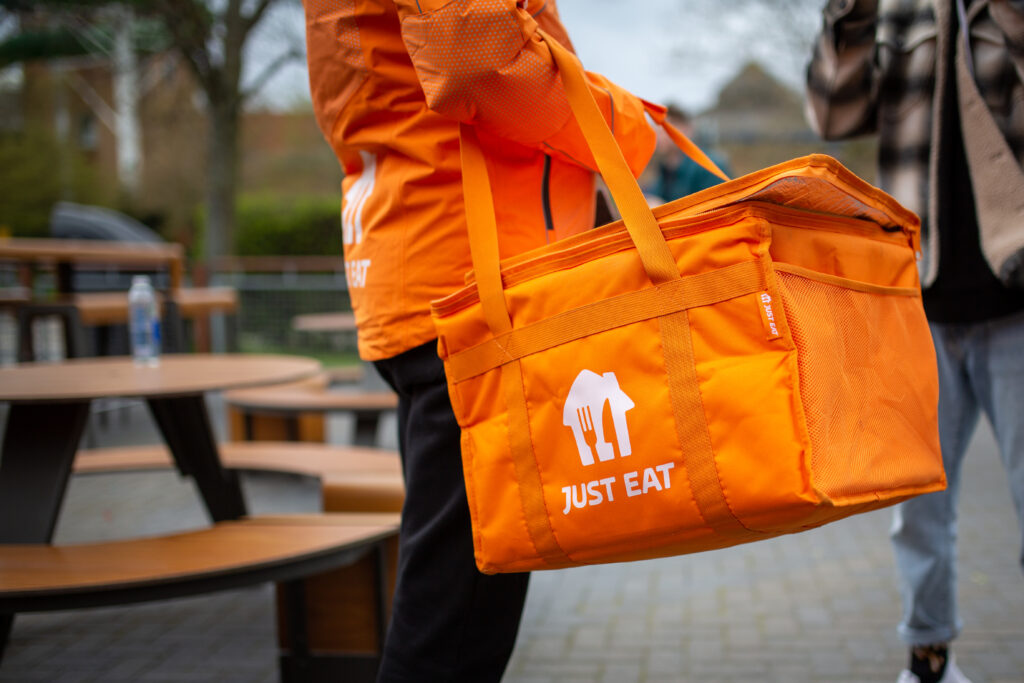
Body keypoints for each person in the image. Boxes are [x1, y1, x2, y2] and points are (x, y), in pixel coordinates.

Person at [301, 1, 657, 680]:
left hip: (423, 272)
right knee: (453, 627)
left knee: (456, 598)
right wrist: (632, 127)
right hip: (475, 294)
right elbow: (479, 59)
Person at [806, 1, 1024, 682]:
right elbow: (834, 114)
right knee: (917, 508)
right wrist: (848, 16)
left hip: (1018, 300)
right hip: (917, 301)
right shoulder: (897, 9)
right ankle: (928, 662)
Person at [646, 104, 731, 203]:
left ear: (687, 129)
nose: (659, 133)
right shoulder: (664, 171)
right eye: (656, 127)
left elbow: (723, 208)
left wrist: (663, 208)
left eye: (665, 126)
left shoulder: (710, 166)